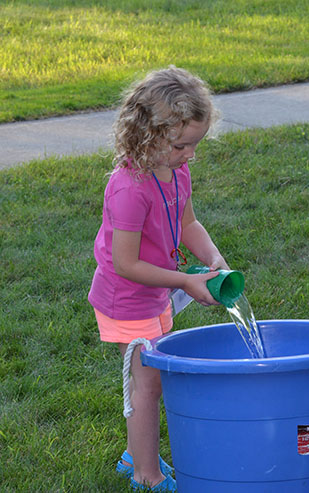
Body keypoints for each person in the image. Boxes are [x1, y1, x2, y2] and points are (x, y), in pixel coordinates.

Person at [88, 66, 229, 492]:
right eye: (181, 145)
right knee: (147, 385)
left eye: (194, 145)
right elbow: (126, 263)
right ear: (146, 135)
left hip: (157, 291)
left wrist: (212, 256)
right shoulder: (129, 189)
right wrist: (185, 282)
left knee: (153, 378)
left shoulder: (176, 170)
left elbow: (187, 221)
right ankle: (145, 475)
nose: (189, 154)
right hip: (128, 297)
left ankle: (137, 453)